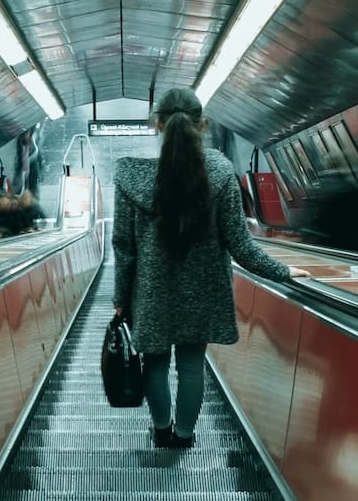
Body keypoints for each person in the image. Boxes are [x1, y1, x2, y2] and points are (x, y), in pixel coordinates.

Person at [112, 87, 309, 450]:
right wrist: (284, 271)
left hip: (151, 293)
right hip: (203, 292)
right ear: (203, 124)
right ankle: (184, 436)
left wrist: (121, 297)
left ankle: (161, 431)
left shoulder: (130, 178)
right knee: (191, 366)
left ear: (156, 124)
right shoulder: (220, 173)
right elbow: (240, 244)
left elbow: (124, 248)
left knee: (154, 364)